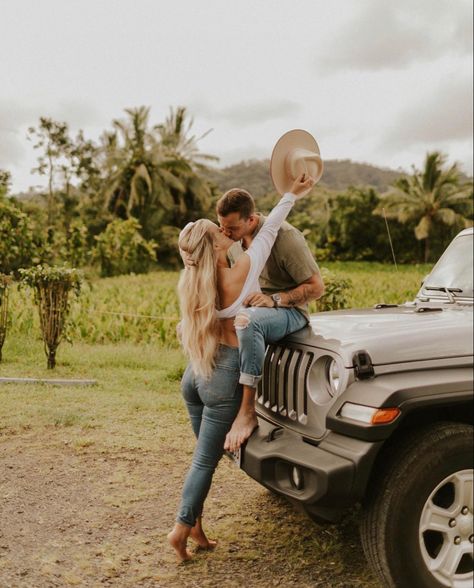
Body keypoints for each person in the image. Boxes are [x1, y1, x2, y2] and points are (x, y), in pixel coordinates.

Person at [167, 172, 316, 562]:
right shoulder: (236, 274)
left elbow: (192, 244)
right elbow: (270, 232)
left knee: (206, 457)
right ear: (215, 243)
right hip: (222, 377)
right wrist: (292, 193)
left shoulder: (195, 279)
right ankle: (181, 528)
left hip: (195, 375)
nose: (223, 231)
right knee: (205, 459)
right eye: (218, 231)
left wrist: (190, 246)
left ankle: (196, 527)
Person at [217, 190, 324, 453]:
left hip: (289, 311)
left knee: (247, 322)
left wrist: (275, 299)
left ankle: (247, 411)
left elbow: (317, 287)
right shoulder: (233, 241)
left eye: (231, 227)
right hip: (254, 308)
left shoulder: (286, 238)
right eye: (221, 227)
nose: (225, 233)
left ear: (251, 220)